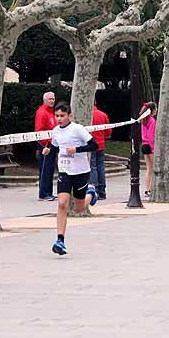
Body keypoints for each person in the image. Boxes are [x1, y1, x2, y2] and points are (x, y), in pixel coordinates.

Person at [43, 103, 99, 255]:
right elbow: (55, 146)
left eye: (62, 116)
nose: (59, 119)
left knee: (78, 208)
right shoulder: (55, 131)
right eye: (57, 116)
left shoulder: (78, 129)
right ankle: (60, 240)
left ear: (70, 116)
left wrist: (77, 150)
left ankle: (91, 194)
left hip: (81, 172)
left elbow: (94, 145)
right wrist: (48, 150)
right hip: (65, 171)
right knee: (62, 204)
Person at [34, 91, 57, 201]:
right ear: (44, 100)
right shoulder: (42, 112)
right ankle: (43, 193)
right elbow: (39, 130)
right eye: (50, 99)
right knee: (45, 169)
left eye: (53, 99)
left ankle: (49, 192)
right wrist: (45, 144)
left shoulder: (51, 112)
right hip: (45, 144)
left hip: (52, 144)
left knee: (50, 169)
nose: (52, 101)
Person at [87, 103, 110, 203]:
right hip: (100, 144)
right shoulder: (103, 115)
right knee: (100, 166)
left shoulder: (88, 116)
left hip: (90, 145)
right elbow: (108, 131)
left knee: (92, 167)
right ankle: (102, 190)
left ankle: (94, 188)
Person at [139, 102, 157, 197]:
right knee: (154, 168)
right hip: (150, 145)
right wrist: (153, 148)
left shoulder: (143, 120)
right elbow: (151, 136)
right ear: (153, 110)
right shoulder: (152, 121)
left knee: (148, 168)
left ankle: (147, 188)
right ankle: (151, 188)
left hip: (144, 144)